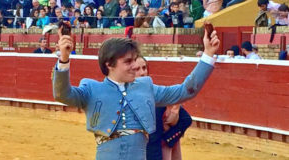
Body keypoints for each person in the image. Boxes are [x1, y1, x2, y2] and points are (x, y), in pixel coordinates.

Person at [52, 25, 220, 159]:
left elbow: (185, 91)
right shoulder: (91, 89)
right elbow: (62, 94)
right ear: (109, 64)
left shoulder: (145, 86)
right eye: (128, 61)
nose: (134, 66)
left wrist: (208, 54)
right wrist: (64, 60)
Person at [134, 56, 192, 160]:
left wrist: (167, 140)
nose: (142, 73)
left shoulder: (157, 96)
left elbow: (186, 120)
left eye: (144, 68)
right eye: (137, 69)